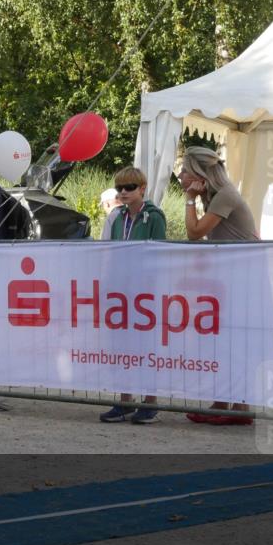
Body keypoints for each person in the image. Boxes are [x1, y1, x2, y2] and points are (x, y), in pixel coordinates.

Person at [178, 145, 258, 425]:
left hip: (246, 278)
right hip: (237, 276)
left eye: (185, 171)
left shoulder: (224, 195)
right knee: (227, 341)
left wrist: (189, 199)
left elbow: (194, 233)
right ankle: (228, 403)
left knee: (235, 340)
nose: (181, 176)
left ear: (199, 172)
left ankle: (237, 406)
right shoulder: (217, 195)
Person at [97, 168, 166, 424]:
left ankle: (150, 402)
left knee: (145, 348)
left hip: (144, 294)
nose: (124, 192)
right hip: (120, 292)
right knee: (121, 348)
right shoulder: (117, 217)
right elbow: (110, 253)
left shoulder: (154, 217)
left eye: (130, 187)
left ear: (142, 188)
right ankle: (124, 401)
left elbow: (158, 255)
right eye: (120, 188)